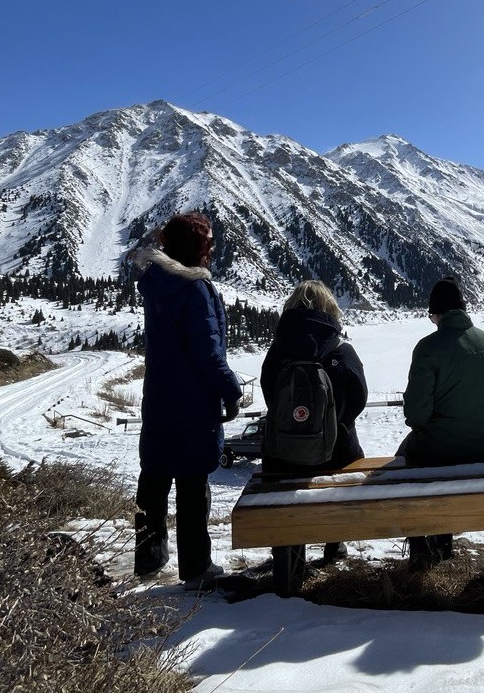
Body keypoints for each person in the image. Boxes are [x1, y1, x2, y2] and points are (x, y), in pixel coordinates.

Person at [133, 213, 242, 591]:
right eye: (208, 240)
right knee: (193, 483)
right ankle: (196, 567)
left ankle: (149, 558)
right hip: (194, 402)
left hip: (160, 394)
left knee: (156, 475)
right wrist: (231, 389)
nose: (212, 246)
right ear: (197, 246)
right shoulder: (195, 289)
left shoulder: (156, 283)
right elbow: (208, 353)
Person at [399, 277, 484, 567]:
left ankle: (421, 545)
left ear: (437, 313)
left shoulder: (428, 348)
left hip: (435, 452)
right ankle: (444, 542)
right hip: (481, 448)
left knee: (402, 461)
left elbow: (416, 415)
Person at [260, 279, 368, 565]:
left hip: (283, 458)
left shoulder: (277, 353)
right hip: (335, 457)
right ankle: (334, 545)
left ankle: (289, 550)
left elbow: (271, 397)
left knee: (276, 460)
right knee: (350, 446)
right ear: (330, 309)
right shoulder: (341, 351)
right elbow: (358, 400)